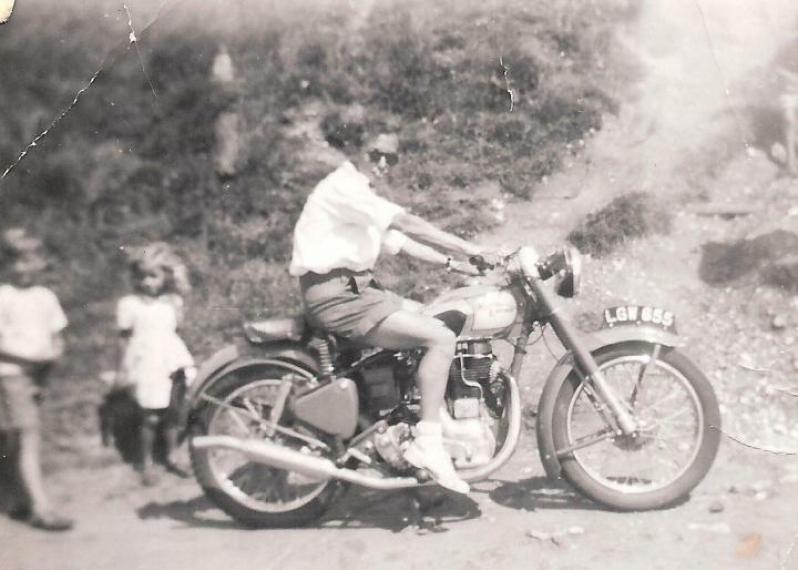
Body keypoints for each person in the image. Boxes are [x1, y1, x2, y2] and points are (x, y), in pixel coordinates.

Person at [289, 152, 493, 494]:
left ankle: (420, 423)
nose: (384, 162)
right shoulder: (342, 188)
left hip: (357, 288)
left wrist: (456, 264)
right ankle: (428, 444)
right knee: (440, 339)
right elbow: (405, 223)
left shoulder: (358, 195)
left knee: (430, 317)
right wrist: (470, 248)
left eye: (391, 156)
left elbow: (402, 243)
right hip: (339, 295)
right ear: (356, 150)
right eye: (376, 154)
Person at [0, 228, 73, 531]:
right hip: (12, 373)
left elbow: (57, 335)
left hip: (40, 376)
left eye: (28, 260)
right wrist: (30, 359)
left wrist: (53, 356)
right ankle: (41, 508)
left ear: (41, 262)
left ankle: (16, 498)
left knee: (17, 437)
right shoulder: (4, 296)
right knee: (27, 435)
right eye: (14, 261)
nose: (22, 268)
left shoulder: (45, 297)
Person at [114, 242, 194, 486]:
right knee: (149, 416)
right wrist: (124, 368)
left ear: (165, 276)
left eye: (153, 276)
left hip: (170, 360)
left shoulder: (172, 302)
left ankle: (172, 454)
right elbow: (124, 339)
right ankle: (146, 461)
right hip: (146, 362)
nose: (147, 282)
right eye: (141, 277)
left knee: (173, 412)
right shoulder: (129, 304)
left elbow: (176, 330)